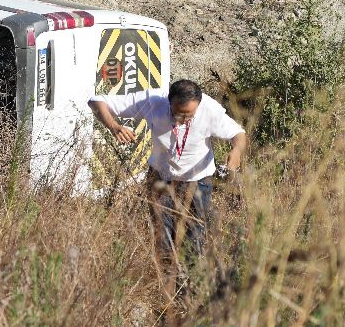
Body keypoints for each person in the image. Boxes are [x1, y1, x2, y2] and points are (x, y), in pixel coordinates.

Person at [88, 79, 248, 303]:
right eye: (178, 114)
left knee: (194, 239)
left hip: (197, 182)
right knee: (162, 238)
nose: (183, 120)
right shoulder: (154, 101)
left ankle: (192, 295)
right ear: (169, 102)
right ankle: (168, 294)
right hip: (161, 179)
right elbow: (97, 101)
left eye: (189, 115)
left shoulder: (209, 109)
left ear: (199, 106)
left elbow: (238, 134)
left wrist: (236, 151)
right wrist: (114, 127)